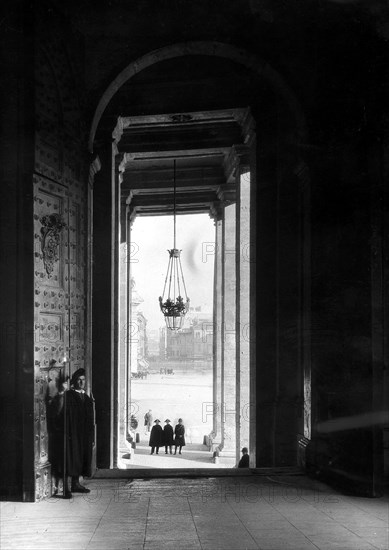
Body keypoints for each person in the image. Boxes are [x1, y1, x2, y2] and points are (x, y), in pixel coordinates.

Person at [52, 368, 94, 497]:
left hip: (83, 435)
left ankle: (75, 484)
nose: (81, 383)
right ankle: (66, 488)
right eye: (79, 380)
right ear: (74, 382)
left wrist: (91, 437)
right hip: (71, 433)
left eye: (83, 380)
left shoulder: (86, 398)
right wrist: (60, 392)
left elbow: (90, 419)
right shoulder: (68, 395)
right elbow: (58, 410)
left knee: (81, 458)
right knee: (69, 459)